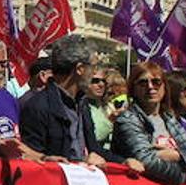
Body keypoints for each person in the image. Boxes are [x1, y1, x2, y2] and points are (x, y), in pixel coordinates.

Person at [19, 35, 134, 170]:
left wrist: (124, 161)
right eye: (94, 67)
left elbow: (94, 149)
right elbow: (33, 162)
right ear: (80, 69)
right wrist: (80, 162)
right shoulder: (37, 107)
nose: (95, 73)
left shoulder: (82, 104)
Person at [111, 62, 186, 185]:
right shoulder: (128, 120)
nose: (150, 87)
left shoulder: (169, 119)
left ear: (164, 87)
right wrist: (184, 174)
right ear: (133, 89)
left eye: (156, 82)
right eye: (143, 83)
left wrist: (175, 155)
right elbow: (147, 161)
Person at [85, 67, 115, 151]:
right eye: (95, 81)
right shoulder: (83, 107)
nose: (101, 85)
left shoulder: (108, 106)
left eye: (103, 81)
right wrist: (110, 122)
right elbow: (95, 136)